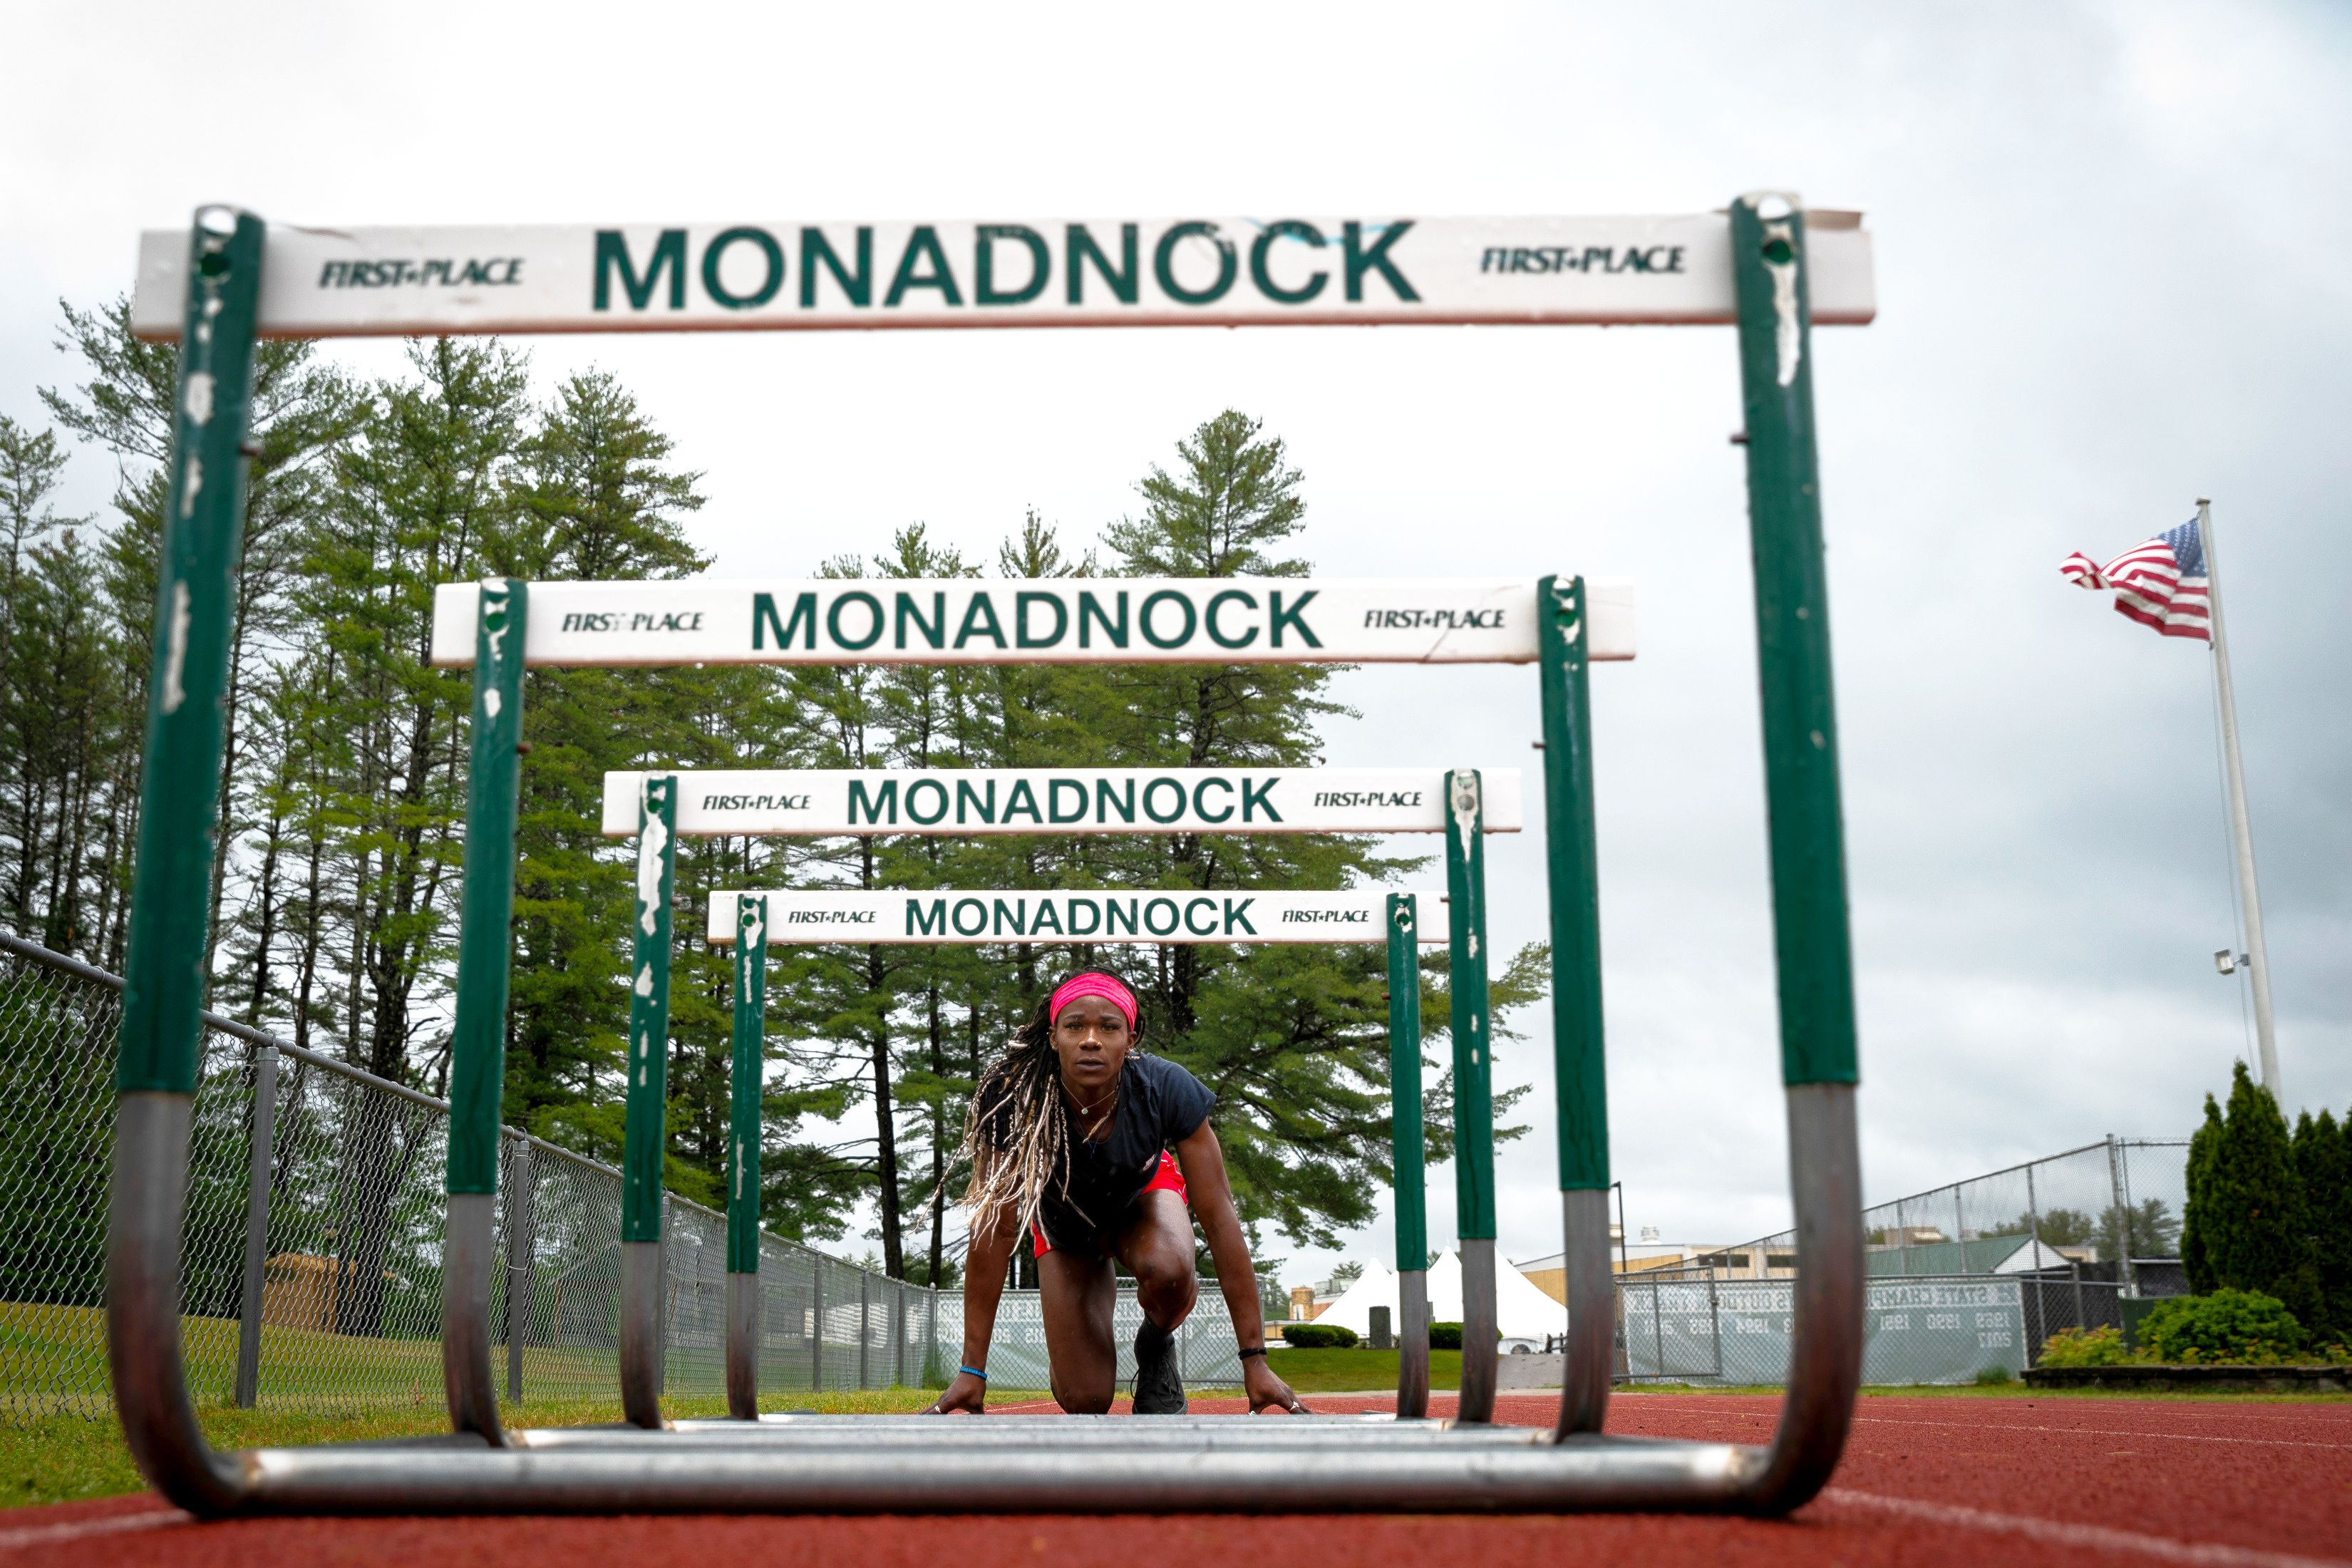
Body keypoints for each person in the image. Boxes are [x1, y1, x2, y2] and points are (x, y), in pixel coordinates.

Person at [925, 970, 1305, 1417]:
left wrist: (1254, 1360)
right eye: (1075, 1027)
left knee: (1171, 1269)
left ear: (1131, 1038)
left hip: (1139, 1203)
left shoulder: (1166, 1087)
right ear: (1053, 1037)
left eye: (1108, 1027)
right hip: (1065, 1227)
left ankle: (1156, 1341)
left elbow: (1219, 1217)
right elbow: (996, 1230)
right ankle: (1080, 1350)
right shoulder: (1015, 1099)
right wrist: (973, 1370)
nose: (1091, 1040)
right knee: (1085, 1400)